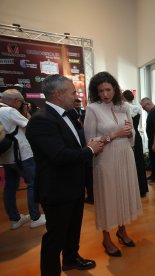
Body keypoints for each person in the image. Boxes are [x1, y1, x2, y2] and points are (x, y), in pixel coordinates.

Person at [26, 74, 104, 275]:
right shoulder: (41, 120)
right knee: (55, 236)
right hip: (57, 189)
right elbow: (58, 155)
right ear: (59, 94)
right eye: (72, 92)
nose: (75, 96)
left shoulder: (69, 114)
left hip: (73, 186)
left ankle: (70, 259)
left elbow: (71, 146)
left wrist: (86, 148)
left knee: (73, 229)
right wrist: (90, 150)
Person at [84, 72, 143, 257]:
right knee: (107, 197)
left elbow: (132, 134)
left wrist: (129, 133)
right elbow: (90, 141)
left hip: (125, 155)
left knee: (122, 194)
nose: (104, 94)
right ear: (96, 92)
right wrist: (114, 135)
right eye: (100, 90)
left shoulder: (124, 106)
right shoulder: (92, 109)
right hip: (105, 159)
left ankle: (122, 230)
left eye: (108, 89)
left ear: (115, 89)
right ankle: (106, 237)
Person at [0, 89, 46, 230]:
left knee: (10, 186)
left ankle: (15, 219)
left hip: (6, 156)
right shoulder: (9, 111)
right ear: (16, 101)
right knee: (32, 183)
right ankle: (35, 217)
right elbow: (31, 125)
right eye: (21, 103)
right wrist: (26, 112)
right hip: (22, 155)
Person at [122, 89, 149, 197]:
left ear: (124, 98)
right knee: (139, 161)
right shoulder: (137, 107)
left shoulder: (127, 108)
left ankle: (133, 190)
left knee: (131, 162)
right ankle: (142, 188)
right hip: (136, 135)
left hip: (129, 136)